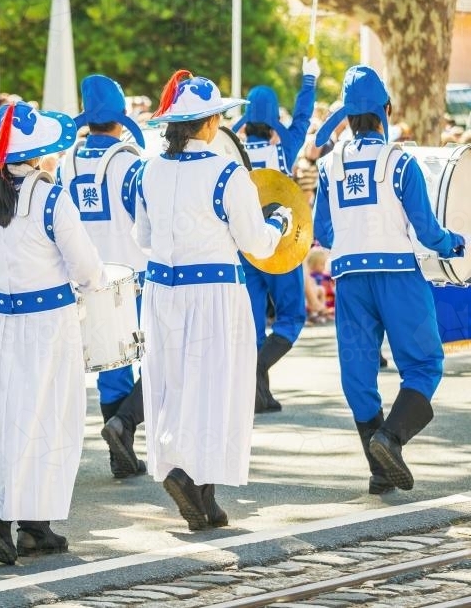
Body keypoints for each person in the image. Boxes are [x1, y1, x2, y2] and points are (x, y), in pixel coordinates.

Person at [138, 71, 289, 531]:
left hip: (162, 291)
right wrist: (281, 222)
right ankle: (193, 481)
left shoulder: (149, 169)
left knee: (174, 386)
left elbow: (141, 237)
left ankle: (203, 497)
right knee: (217, 389)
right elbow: (257, 245)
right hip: (214, 292)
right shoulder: (228, 172)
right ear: (206, 124)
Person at [0, 101, 104, 564]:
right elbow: (86, 268)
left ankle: (29, 522)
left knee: (2, 419)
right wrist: (92, 283)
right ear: (39, 151)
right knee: (48, 419)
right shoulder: (51, 197)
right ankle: (6, 513)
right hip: (46, 322)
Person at [312, 65, 465, 495]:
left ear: (345, 115)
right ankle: (391, 439)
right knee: (424, 364)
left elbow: (323, 232)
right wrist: (454, 243)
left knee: (358, 375)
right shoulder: (401, 163)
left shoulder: (328, 166)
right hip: (398, 274)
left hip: (349, 279)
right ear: (386, 110)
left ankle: (379, 469)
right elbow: (427, 229)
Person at [58, 74, 148, 479]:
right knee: (159, 358)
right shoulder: (130, 162)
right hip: (134, 274)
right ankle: (125, 425)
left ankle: (120, 454)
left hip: (89, 277)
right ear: (121, 118)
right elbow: (146, 222)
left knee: (113, 363)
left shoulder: (66, 163)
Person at [230, 58, 318, 413]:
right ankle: (256, 373)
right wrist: (309, 79)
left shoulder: (230, 151)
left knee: (252, 326)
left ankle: (258, 394)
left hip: (244, 248)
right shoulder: (282, 148)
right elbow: (302, 119)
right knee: (292, 317)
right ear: (271, 125)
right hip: (281, 247)